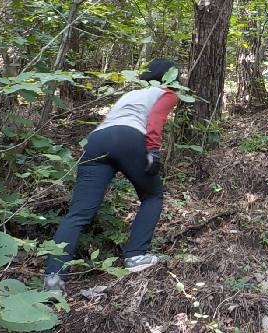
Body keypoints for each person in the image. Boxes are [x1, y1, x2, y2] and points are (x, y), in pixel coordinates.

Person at [44, 58, 179, 293]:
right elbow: (156, 118)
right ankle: (136, 255)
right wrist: (153, 150)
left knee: (78, 213)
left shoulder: (130, 94)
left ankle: (53, 277)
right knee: (152, 197)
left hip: (96, 140)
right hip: (129, 138)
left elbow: (109, 121)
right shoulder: (166, 93)